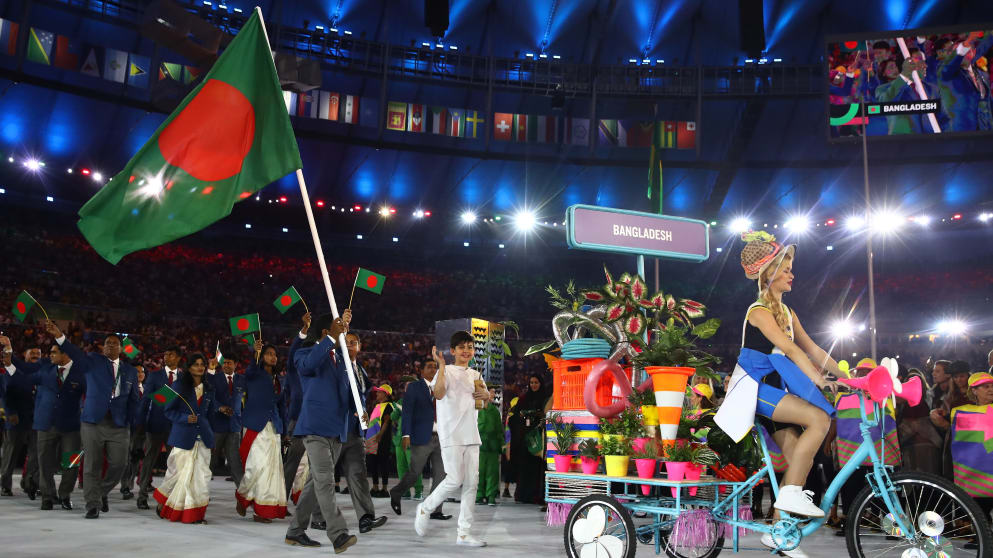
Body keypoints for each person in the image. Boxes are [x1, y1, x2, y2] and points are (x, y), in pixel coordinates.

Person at [715, 231, 841, 558]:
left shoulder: (788, 313)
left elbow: (813, 347)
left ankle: (779, 533)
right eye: (786, 268)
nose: (791, 274)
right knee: (818, 418)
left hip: (775, 392)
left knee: (799, 453)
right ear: (769, 273)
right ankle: (791, 496)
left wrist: (847, 375)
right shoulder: (758, 311)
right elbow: (789, 348)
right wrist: (819, 381)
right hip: (755, 391)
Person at [284, 310, 368, 553]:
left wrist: (359, 409)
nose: (342, 334)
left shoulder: (341, 361)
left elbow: (348, 389)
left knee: (314, 483)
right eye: (336, 329)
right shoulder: (304, 354)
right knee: (325, 480)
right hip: (315, 428)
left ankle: (295, 531)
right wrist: (331, 338)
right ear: (325, 332)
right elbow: (309, 367)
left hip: (338, 429)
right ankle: (338, 533)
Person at [46, 320, 141, 519]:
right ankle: (92, 505)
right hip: (92, 423)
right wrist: (59, 336)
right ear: (103, 347)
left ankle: (100, 492)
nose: (110, 345)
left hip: (119, 424)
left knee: (119, 464)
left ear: (121, 348)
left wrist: (131, 422)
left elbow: (134, 401)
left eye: (115, 343)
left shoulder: (130, 371)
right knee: (91, 465)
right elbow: (74, 351)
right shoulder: (92, 361)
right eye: (107, 343)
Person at [413, 332, 491, 547]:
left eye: (470, 347)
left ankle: (464, 534)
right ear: (453, 350)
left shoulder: (476, 374)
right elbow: (437, 395)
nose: (466, 350)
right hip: (451, 434)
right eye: (462, 347)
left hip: (471, 434)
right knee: (455, 479)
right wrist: (440, 366)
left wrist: (487, 397)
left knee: (471, 484)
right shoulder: (444, 371)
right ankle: (425, 508)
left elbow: (482, 404)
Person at [2, 336, 85, 511]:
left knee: (71, 463)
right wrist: (9, 358)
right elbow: (23, 376)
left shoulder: (81, 372)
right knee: (44, 463)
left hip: (72, 427)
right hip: (45, 424)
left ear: (66, 354)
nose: (50, 355)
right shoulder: (46, 369)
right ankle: (47, 497)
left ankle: (65, 495)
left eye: (54, 352)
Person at [153, 353, 223, 523]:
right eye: (196, 364)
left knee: (200, 478)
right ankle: (168, 503)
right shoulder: (177, 386)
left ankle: (194, 514)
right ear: (189, 367)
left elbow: (211, 413)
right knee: (178, 476)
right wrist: (185, 418)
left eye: (202, 364)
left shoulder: (209, 388)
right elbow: (167, 410)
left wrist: (212, 435)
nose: (199, 367)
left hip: (204, 438)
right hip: (183, 436)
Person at [236, 340, 288, 523]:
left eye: (275, 354)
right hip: (254, 425)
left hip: (274, 427)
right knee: (255, 466)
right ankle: (242, 496)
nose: (273, 357)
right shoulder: (254, 374)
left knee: (270, 470)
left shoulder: (280, 379)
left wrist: (286, 430)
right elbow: (250, 370)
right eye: (269, 354)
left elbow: (282, 406)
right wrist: (255, 354)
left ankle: (261, 510)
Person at [389, 359, 448, 519]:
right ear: (421, 371)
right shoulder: (414, 388)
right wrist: (406, 434)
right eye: (429, 367)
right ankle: (397, 491)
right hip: (422, 437)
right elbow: (407, 412)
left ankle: (436, 510)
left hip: (441, 437)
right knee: (415, 472)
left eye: (435, 367)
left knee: (441, 475)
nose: (433, 369)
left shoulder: (442, 387)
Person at [948, 371, 993, 549]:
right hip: (977, 470)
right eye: (985, 387)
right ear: (974, 390)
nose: (990, 390)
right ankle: (982, 537)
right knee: (978, 504)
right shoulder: (962, 413)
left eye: (992, 386)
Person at [135, 346, 182, 510]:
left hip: (176, 426)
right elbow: (146, 401)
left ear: (178, 358)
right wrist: (140, 423)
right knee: (148, 461)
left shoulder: (185, 377)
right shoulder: (155, 376)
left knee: (175, 463)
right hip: (155, 425)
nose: (167, 357)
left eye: (171, 354)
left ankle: (172, 496)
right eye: (166, 354)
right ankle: (142, 495)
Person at [0, 342, 39, 500]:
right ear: (25, 356)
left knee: (35, 454)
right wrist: (10, 412)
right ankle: (5, 485)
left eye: (38, 354)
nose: (36, 356)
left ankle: (29, 483)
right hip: (16, 419)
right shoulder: (11, 371)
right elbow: (5, 393)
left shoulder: (41, 373)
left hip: (36, 420)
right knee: (11, 454)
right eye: (33, 354)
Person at [510, 374, 550, 506]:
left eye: (536, 382)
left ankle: (536, 496)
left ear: (541, 384)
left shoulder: (545, 398)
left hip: (538, 439)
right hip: (525, 440)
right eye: (531, 382)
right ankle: (523, 495)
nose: (533, 385)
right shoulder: (524, 399)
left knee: (537, 468)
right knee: (525, 467)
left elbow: (547, 414)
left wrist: (537, 416)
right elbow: (514, 417)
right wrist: (522, 415)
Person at [208, 353, 243, 487]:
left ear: (235, 364)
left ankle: (242, 494)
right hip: (216, 425)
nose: (227, 365)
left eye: (230, 363)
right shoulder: (213, 378)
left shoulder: (241, 379)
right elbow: (208, 396)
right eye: (225, 363)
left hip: (234, 426)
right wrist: (220, 408)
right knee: (210, 461)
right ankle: (201, 493)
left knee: (235, 461)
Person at [389, 377, 423, 500]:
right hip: (400, 439)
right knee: (401, 466)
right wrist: (395, 409)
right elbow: (393, 417)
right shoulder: (401, 401)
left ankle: (419, 491)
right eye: (407, 387)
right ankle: (405, 491)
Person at [120, 364, 147, 499]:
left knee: (136, 458)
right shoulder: (126, 388)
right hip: (130, 428)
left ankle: (129, 485)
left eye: (142, 371)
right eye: (137, 372)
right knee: (127, 459)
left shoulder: (147, 390)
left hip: (144, 430)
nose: (140, 374)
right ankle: (124, 486)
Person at [365, 384, 394, 498]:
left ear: (385, 394)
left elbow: (386, 421)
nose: (377, 394)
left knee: (383, 463)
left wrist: (380, 435)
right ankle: (375, 487)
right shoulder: (377, 405)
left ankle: (384, 489)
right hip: (372, 439)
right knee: (373, 463)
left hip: (381, 439)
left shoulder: (389, 406)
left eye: (379, 392)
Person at [476, 386, 502, 506]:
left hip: (492, 446)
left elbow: (499, 430)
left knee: (492, 473)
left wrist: (501, 446)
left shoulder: (495, 412)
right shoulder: (476, 409)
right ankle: (479, 495)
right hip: (479, 446)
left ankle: (491, 496)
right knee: (479, 472)